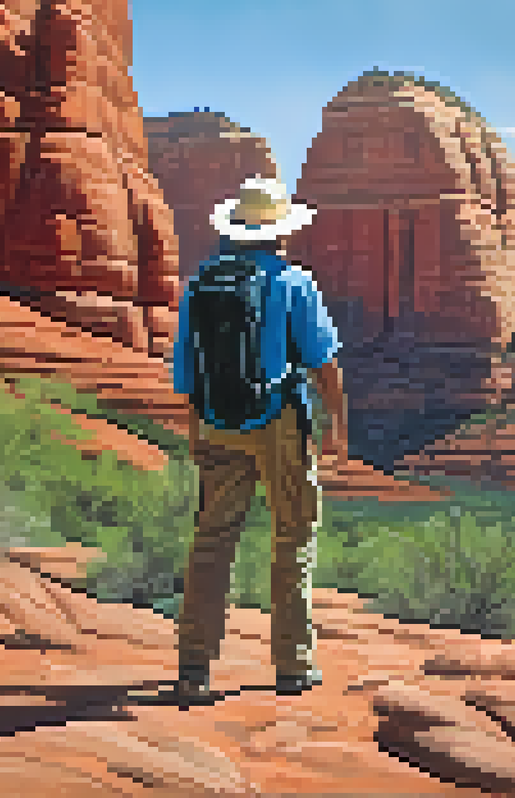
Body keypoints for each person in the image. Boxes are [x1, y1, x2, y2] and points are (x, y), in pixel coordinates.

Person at [169, 176, 347, 704]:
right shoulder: (293, 282)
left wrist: (202, 427)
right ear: (279, 232)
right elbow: (323, 361)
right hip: (278, 421)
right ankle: (293, 665)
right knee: (292, 538)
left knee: (211, 543)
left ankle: (194, 669)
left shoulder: (200, 283)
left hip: (216, 423)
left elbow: (184, 371)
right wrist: (336, 424)